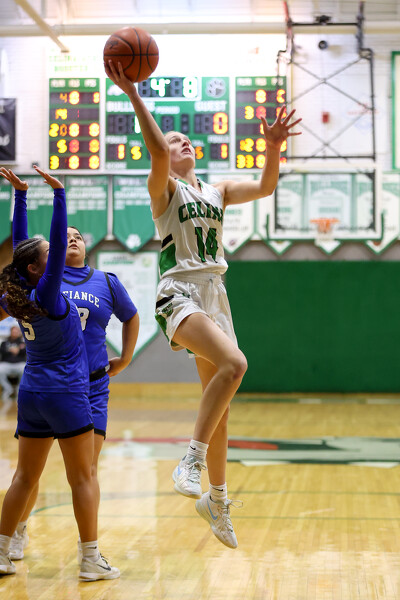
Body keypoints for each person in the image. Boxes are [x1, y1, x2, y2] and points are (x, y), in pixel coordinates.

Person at [105, 61, 302, 549]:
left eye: (186, 140)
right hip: (180, 290)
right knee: (236, 364)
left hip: (216, 294)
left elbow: (266, 186)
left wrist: (273, 147)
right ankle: (190, 458)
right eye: (174, 141)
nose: (182, 142)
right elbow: (155, 150)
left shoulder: (218, 191)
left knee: (222, 409)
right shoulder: (164, 190)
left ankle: (216, 499)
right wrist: (133, 94)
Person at [3, 168, 139, 562]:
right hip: (66, 386)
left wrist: (21, 197)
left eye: (77, 236)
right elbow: (34, 247)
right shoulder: (50, 284)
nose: (67, 241)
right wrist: (58, 195)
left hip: (65, 385)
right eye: (61, 242)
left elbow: (21, 249)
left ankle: (6, 542)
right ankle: (86, 555)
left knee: (49, 473)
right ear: (41, 265)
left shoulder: (39, 286)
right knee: (73, 476)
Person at [0, 325, 26, 401]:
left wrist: (18, 350)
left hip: (19, 364)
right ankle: (8, 389)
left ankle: (19, 390)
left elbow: (25, 352)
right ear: (10, 332)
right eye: (13, 331)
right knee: (0, 369)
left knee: (25, 369)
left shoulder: (22, 342)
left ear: (18, 333)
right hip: (6, 364)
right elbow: (2, 351)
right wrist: (10, 350)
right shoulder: (4, 342)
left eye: (16, 332)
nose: (14, 333)